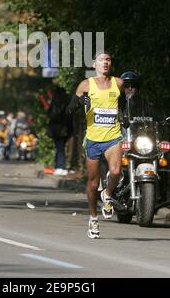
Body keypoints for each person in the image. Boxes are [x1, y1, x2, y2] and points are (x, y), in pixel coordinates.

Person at [66, 51, 124, 239]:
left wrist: (126, 116)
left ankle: (107, 194)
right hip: (93, 139)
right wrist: (80, 102)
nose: (105, 62)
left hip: (113, 136)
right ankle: (93, 218)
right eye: (101, 60)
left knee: (115, 172)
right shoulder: (86, 85)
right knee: (92, 183)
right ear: (94, 65)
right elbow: (69, 110)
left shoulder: (119, 83)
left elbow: (125, 103)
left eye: (108, 59)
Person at [47, 84, 72, 176]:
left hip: (56, 128)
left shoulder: (55, 102)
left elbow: (50, 114)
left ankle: (60, 166)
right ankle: (59, 166)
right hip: (64, 128)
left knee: (59, 148)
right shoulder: (66, 101)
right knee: (61, 147)